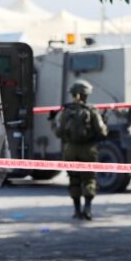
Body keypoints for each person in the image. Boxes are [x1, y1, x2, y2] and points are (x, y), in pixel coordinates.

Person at [51, 79, 108, 220]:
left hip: (70, 149)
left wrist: (52, 122)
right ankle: (87, 210)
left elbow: (58, 132)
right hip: (88, 149)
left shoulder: (66, 111)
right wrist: (104, 122)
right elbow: (102, 132)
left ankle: (77, 211)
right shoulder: (92, 110)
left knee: (74, 179)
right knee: (89, 179)